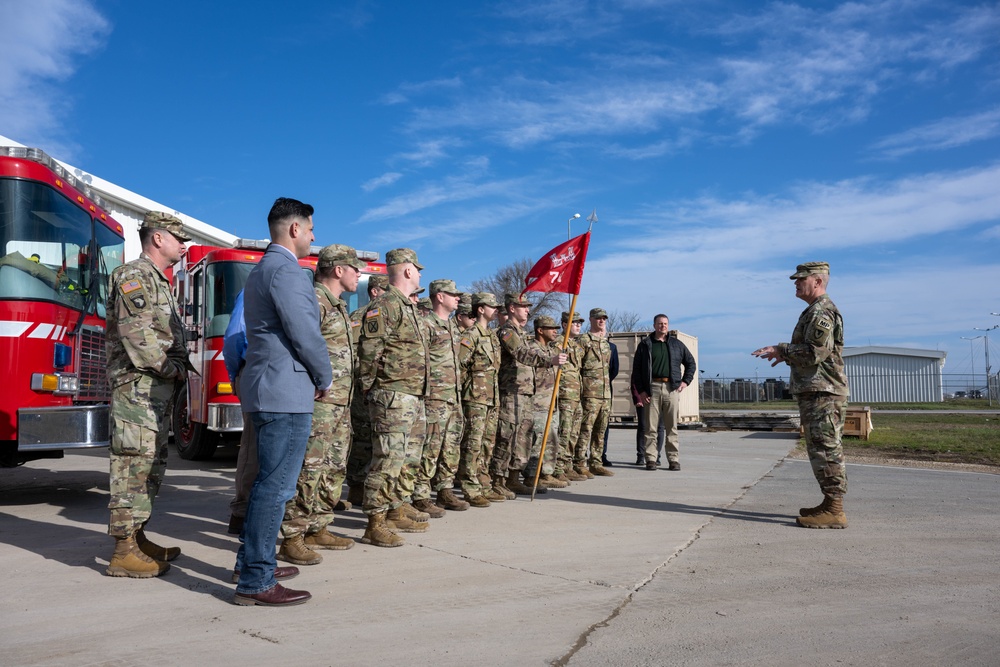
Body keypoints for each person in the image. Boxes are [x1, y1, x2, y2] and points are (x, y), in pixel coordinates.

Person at [233, 197, 332, 607]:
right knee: (275, 488)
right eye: (310, 229)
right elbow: (304, 332)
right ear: (294, 229)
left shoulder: (263, 269)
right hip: (284, 391)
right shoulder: (287, 272)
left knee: (266, 483)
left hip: (266, 385)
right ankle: (257, 580)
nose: (313, 236)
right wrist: (324, 376)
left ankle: (251, 561)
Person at [105, 211, 192, 578]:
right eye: (178, 238)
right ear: (158, 238)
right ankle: (123, 550)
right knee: (131, 467)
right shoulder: (134, 275)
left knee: (149, 468)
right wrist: (170, 369)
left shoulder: (158, 280)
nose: (183, 245)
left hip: (153, 391)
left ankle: (137, 537)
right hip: (138, 388)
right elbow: (137, 335)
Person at [276, 244, 365, 566]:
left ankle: (318, 526)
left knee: (333, 466)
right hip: (320, 402)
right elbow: (298, 345)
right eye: (355, 269)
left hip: (341, 402)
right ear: (339, 270)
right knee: (308, 469)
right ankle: (293, 535)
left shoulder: (337, 305)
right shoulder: (313, 301)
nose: (359, 275)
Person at [753, 262, 849, 529]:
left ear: (817, 281)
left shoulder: (822, 312)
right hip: (817, 392)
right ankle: (830, 504)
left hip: (824, 393)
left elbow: (815, 351)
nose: (795, 283)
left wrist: (782, 349)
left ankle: (835, 510)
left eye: (801, 279)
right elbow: (812, 353)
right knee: (820, 449)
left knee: (826, 449)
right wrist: (784, 355)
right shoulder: (813, 312)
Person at [358, 248, 431, 546]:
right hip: (392, 394)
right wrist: (371, 389)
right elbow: (369, 351)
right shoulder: (385, 304)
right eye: (418, 268)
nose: (421, 274)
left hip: (413, 394)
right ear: (408, 270)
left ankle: (395, 508)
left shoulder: (407, 306)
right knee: (387, 459)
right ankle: (375, 522)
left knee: (407, 458)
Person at [490, 294, 566, 496]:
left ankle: (514, 477)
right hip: (511, 392)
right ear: (512, 308)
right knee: (507, 437)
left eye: (527, 307)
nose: (527, 310)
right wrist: (550, 359)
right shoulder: (507, 332)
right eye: (523, 306)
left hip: (525, 393)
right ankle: (498, 479)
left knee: (522, 439)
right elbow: (521, 353)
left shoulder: (522, 333)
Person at [413, 279, 470, 514]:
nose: (457, 298)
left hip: (453, 396)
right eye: (452, 294)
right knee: (431, 447)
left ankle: (445, 489)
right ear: (439, 296)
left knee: (451, 446)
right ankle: (420, 494)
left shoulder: (454, 327)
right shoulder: (426, 324)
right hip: (434, 396)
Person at [457, 292, 506, 506]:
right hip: (475, 398)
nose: (495, 309)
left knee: (487, 444)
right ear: (480, 309)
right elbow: (460, 366)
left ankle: (484, 483)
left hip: (491, 397)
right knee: (473, 444)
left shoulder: (492, 336)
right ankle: (470, 487)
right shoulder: (471, 335)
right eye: (491, 306)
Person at [631, 315, 696, 471]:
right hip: (651, 388)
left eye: (665, 324)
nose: (663, 326)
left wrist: (685, 381)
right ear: (654, 325)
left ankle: (673, 460)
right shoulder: (645, 344)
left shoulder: (676, 344)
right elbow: (637, 370)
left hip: (671, 388)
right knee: (651, 428)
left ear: (668, 325)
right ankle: (651, 459)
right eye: (660, 324)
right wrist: (641, 391)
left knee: (671, 427)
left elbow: (691, 363)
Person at [345, 274, 388, 505]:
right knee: (362, 438)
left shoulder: (389, 315)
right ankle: (356, 485)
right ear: (374, 292)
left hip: (383, 387)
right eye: (384, 291)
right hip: (362, 386)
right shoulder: (359, 317)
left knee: (378, 439)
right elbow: (351, 351)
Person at [223, 290, 255, 535]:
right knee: (253, 446)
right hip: (256, 372)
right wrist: (234, 374)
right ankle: (242, 513)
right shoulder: (252, 290)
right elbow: (235, 337)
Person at [526, 315, 568, 489]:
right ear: (540, 330)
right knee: (537, 441)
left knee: (552, 440)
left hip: (552, 401)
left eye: (556, 328)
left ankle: (546, 473)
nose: (555, 331)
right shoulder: (532, 350)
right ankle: (532, 475)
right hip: (538, 403)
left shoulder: (552, 350)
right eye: (551, 328)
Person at [575, 308, 614, 477]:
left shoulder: (606, 343)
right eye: (598, 318)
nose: (602, 321)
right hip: (590, 393)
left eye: (604, 318)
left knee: (601, 429)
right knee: (585, 429)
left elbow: (610, 369)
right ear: (591, 319)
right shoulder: (583, 340)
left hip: (605, 393)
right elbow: (577, 366)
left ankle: (596, 462)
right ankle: (579, 462)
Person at [555, 312, 587, 482]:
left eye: (579, 323)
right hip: (565, 395)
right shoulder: (558, 343)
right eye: (574, 323)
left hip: (576, 395)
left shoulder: (576, 346)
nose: (578, 326)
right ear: (564, 324)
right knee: (564, 432)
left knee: (574, 432)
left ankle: (567, 464)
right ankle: (558, 467)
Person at [601, 339, 620, 467]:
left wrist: (603, 381)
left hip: (606, 390)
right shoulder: (584, 343)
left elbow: (614, 369)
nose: (602, 323)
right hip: (587, 390)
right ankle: (581, 455)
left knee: (603, 425)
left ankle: (601, 455)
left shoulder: (612, 347)